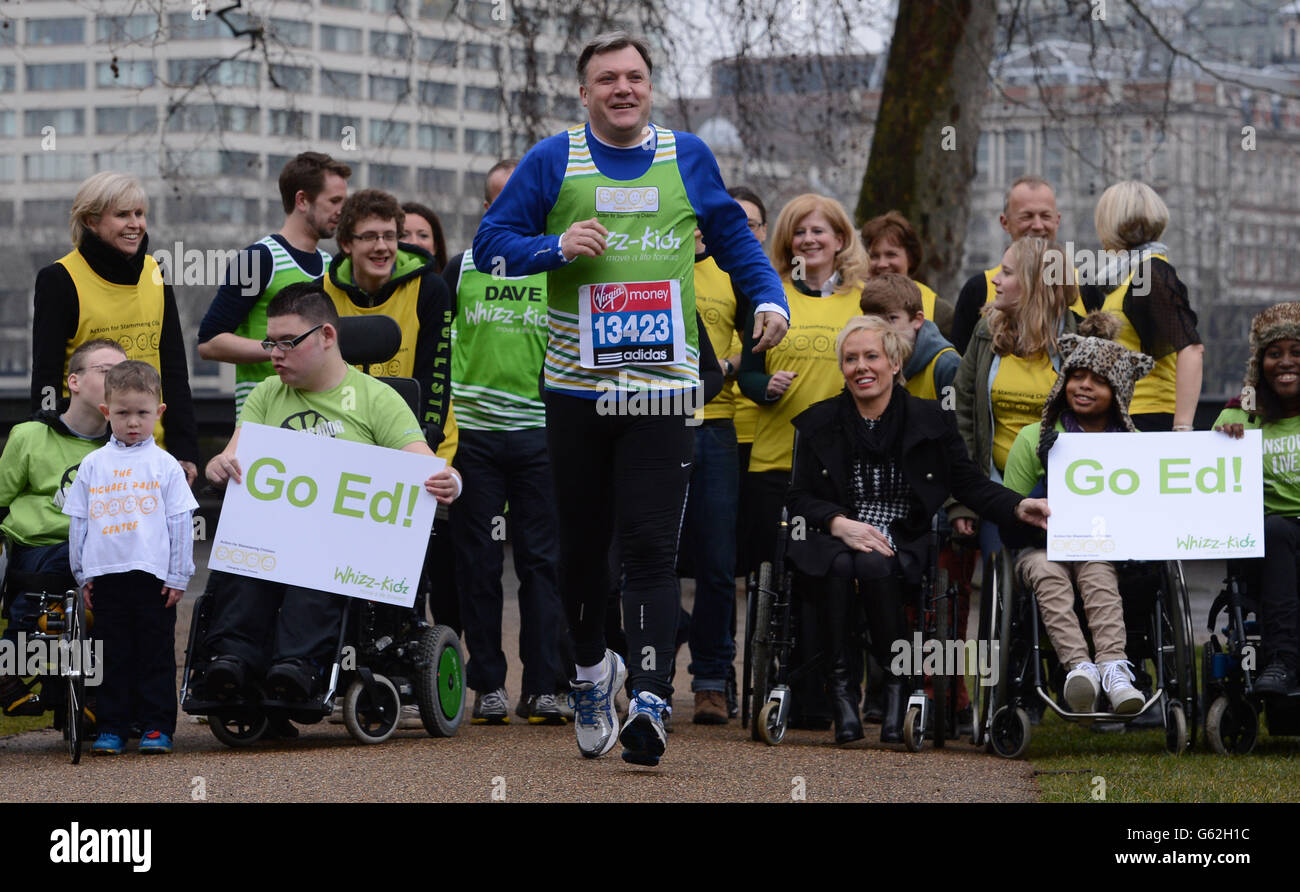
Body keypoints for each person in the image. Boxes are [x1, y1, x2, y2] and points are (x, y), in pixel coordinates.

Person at [473, 30, 789, 766]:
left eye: (635, 77)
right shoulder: (554, 160)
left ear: (651, 88)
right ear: (584, 93)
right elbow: (490, 245)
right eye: (607, 79)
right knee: (581, 554)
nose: (623, 88)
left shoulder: (688, 157)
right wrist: (552, 248)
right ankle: (590, 674)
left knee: (652, 547)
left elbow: (735, 242)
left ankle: (649, 697)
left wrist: (768, 295)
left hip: (663, 388)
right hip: (577, 392)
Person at [785, 316, 1050, 743]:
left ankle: (896, 686)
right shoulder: (822, 421)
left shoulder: (929, 420)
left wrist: (1018, 505)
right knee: (839, 564)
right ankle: (841, 693)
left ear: (894, 363)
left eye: (871, 356)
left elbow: (969, 484)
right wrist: (839, 523)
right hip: (836, 534)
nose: (861, 367)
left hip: (901, 535)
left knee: (871, 565)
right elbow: (798, 498)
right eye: (850, 359)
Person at [201, 284, 461, 711]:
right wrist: (218, 465)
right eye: (271, 343)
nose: (275, 354)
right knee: (246, 562)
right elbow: (232, 454)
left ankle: (298, 666)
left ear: (326, 336)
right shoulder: (266, 394)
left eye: (288, 342)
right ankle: (232, 661)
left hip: (338, 547)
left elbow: (428, 465)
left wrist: (451, 482)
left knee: (316, 569)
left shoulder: (378, 399)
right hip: (273, 536)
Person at [442, 158, 565, 725]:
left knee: (544, 565)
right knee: (479, 563)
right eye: (498, 200)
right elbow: (439, 355)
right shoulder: (460, 266)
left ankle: (542, 687)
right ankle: (486, 682)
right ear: (489, 207)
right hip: (475, 440)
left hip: (542, 437)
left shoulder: (559, 268)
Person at [1002, 313, 1152, 714]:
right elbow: (1008, 514)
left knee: (1097, 568)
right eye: (1076, 376)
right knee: (1049, 572)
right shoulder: (1034, 438)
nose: (1084, 386)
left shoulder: (1136, 448)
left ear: (1117, 390)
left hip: (1100, 549)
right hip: (1040, 548)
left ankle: (1114, 669)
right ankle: (1078, 669)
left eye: (1098, 380)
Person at [64, 361, 198, 755]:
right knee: (112, 656)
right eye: (123, 413)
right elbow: (79, 523)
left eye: (142, 413)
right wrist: (82, 575)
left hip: (153, 578)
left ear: (159, 412)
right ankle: (112, 727)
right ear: (107, 412)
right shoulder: (93, 465)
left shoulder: (165, 466)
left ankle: (157, 727)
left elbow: (179, 524)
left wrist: (178, 575)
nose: (133, 422)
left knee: (155, 654)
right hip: (106, 577)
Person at [31, 171, 199, 485]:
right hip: (83, 454)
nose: (135, 224)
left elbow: (174, 369)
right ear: (91, 221)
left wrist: (185, 449)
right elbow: (46, 377)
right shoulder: (58, 279)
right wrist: (46, 447)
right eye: (122, 215)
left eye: (139, 214)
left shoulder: (156, 271)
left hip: (153, 451)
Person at [738, 193, 867, 571]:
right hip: (776, 460)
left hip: (842, 460)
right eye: (799, 232)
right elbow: (748, 374)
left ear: (840, 240)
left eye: (818, 230)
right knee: (768, 568)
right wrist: (765, 387)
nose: (808, 239)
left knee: (829, 568)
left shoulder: (863, 301)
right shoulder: (768, 298)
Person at [0, 339, 125, 715]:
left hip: (103, 551)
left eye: (123, 373)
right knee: (65, 564)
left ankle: (90, 693)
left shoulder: (125, 447)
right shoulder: (29, 436)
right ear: (73, 381)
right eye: (106, 371)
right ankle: (11, 664)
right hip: (39, 546)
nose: (116, 379)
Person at [197, 152, 351, 414]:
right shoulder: (260, 259)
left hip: (321, 418)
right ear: (302, 200)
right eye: (334, 201)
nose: (342, 211)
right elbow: (209, 343)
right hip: (264, 416)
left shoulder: (332, 265)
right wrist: (284, 348)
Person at [323, 189, 454, 454]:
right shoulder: (320, 293)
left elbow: (435, 373)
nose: (382, 246)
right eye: (370, 236)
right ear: (347, 243)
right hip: (344, 439)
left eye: (390, 236)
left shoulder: (430, 289)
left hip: (419, 435)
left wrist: (425, 440)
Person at [1214, 303, 1300, 695]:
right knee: (1276, 530)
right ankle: (1282, 662)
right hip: (1270, 538)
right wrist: (1225, 438)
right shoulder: (1242, 414)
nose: (1285, 362)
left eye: (1296, 352)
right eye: (1274, 353)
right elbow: (1208, 470)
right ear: (1259, 361)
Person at [1092, 180, 1203, 432]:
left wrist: (1182, 429)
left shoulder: (1150, 272)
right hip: (1126, 418)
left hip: (1148, 419)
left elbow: (1192, 349)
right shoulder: (1126, 276)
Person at [951, 175, 1080, 354]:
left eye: (1045, 216)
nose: (1037, 225)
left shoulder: (1083, 287)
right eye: (1026, 216)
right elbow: (962, 367)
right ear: (1005, 223)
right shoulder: (978, 289)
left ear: (1057, 221)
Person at [859, 273, 959, 403]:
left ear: (917, 320)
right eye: (873, 320)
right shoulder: (862, 362)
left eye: (892, 319)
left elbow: (956, 420)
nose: (881, 328)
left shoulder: (946, 366)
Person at [860, 210, 955, 340]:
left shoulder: (939, 312)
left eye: (891, 254)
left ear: (910, 258)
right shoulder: (847, 300)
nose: (882, 264)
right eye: (874, 256)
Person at [401, 201, 449, 273]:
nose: (414, 242)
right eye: (404, 235)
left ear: (435, 246)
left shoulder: (450, 283)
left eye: (423, 235)